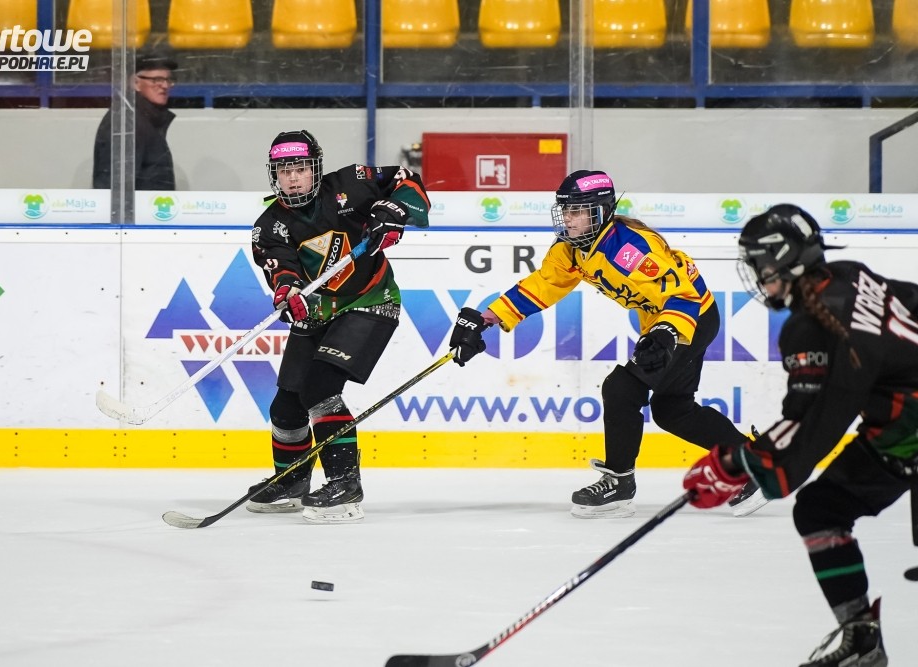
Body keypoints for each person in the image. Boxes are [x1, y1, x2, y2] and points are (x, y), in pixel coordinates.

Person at [447, 169, 763, 518]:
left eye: (576, 211)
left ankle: (619, 484)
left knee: (621, 388)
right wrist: (486, 319)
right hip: (664, 323)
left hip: (689, 319)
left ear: (600, 212)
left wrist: (665, 334)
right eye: (565, 210)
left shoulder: (630, 249)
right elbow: (543, 285)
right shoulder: (571, 250)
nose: (568, 219)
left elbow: (683, 295)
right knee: (673, 410)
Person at [683, 204, 918, 666]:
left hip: (908, 426)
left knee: (821, 510)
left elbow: (813, 424)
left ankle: (863, 644)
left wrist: (736, 463)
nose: (758, 276)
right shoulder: (849, 274)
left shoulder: (811, 325)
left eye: (760, 265)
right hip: (904, 417)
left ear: (784, 260)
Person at [245, 129, 430, 524]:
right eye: (284, 171)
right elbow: (282, 270)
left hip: (370, 302)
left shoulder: (353, 183)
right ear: (274, 175)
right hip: (318, 313)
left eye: (300, 168)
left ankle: (345, 486)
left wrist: (394, 212)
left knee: (320, 389)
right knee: (286, 406)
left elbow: (407, 180)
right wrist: (289, 292)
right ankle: (292, 480)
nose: (293, 178)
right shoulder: (270, 224)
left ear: (316, 168)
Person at [93, 52, 178, 191]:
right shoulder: (127, 123)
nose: (165, 85)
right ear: (135, 83)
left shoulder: (144, 119)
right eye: (157, 80)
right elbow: (114, 186)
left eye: (168, 80)